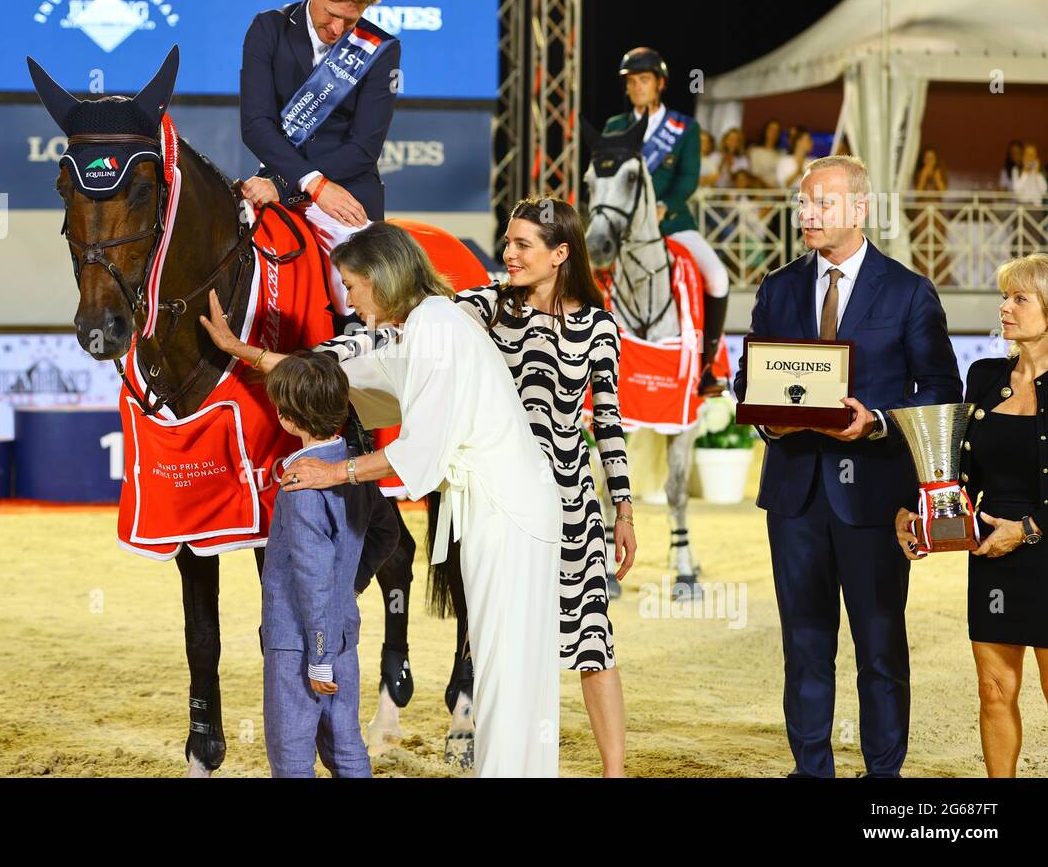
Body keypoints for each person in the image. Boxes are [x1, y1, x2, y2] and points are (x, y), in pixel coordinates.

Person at [200, 224, 564, 777]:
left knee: (508, 673)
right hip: (504, 511)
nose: (348, 299)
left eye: (351, 285)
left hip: (506, 514)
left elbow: (420, 454)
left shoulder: (436, 328)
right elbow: (339, 375)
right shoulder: (425, 326)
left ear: (379, 278)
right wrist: (241, 351)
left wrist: (333, 472)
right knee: (507, 673)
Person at [734, 155, 962, 778]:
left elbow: (940, 390)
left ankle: (882, 777)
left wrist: (880, 421)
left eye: (822, 204)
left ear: (860, 210)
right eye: (803, 204)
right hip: (795, 497)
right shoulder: (777, 286)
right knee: (804, 646)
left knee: (880, 646)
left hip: (875, 498)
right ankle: (812, 771)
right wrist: (764, 416)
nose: (807, 214)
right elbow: (747, 378)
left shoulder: (910, 290)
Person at [455, 197, 637, 777]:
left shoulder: (599, 325)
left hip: (570, 505)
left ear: (560, 254)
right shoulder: (484, 307)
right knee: (496, 642)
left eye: (522, 244)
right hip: (499, 503)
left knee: (593, 643)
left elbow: (607, 422)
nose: (508, 253)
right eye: (507, 242)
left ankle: (614, 773)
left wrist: (624, 512)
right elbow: (425, 328)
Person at [895, 254, 1048, 778]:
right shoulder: (984, 377)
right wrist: (925, 515)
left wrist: (1027, 532)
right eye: (1004, 297)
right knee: (993, 690)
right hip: (991, 556)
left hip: (1039, 549)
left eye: (1019, 299)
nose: (1004, 307)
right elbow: (960, 473)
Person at [238, 0, 401, 314]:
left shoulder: (380, 49)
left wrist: (292, 186)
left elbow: (364, 148)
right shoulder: (268, 28)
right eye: (331, 14)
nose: (338, 29)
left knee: (362, 296)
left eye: (352, 19)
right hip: (281, 176)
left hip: (347, 190)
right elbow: (256, 125)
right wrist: (307, 183)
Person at [259, 352, 399, 777]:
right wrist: (350, 585)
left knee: (292, 759)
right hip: (341, 635)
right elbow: (386, 534)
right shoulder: (353, 469)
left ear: (287, 418)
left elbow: (313, 574)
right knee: (346, 747)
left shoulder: (300, 484)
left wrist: (316, 656)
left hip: (299, 645)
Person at [603, 46, 729, 397]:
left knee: (718, 277)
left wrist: (663, 206)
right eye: (631, 82)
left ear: (659, 84)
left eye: (644, 80)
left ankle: (706, 367)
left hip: (672, 222)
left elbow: (688, 178)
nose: (637, 87)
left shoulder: (684, 128)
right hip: (624, 228)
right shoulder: (615, 127)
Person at [748, 117, 783, 188]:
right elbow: (755, 175)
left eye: (776, 130)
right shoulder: (755, 151)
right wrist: (770, 189)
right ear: (765, 131)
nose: (773, 132)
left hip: (780, 192)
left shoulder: (782, 153)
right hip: (762, 192)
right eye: (771, 129)